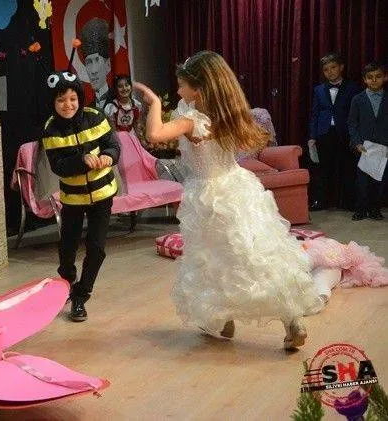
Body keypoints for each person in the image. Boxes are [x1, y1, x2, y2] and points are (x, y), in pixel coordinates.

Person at [134, 51, 323, 350]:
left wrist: (155, 103)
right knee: (255, 253)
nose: (179, 91)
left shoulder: (192, 120)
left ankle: (223, 316)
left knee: (214, 257)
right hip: (239, 187)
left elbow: (155, 134)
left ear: (198, 89)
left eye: (182, 86)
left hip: (209, 196)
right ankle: (287, 319)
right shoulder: (226, 114)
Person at [41, 70, 120, 322]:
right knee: (67, 249)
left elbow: (114, 145)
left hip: (102, 195)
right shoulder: (51, 129)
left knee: (96, 249)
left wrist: (108, 156)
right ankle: (67, 281)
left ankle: (81, 296)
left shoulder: (96, 117)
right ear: (53, 102)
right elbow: (58, 166)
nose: (68, 105)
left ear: (80, 98)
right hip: (72, 199)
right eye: (61, 100)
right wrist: (82, 161)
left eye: (73, 99)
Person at [308, 53, 361, 210]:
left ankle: (349, 202)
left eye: (333, 67)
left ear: (341, 67)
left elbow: (356, 114)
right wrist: (312, 136)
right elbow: (315, 114)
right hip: (324, 133)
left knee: (347, 167)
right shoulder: (318, 90)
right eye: (326, 69)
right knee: (322, 168)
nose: (330, 72)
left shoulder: (352, 88)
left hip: (345, 132)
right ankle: (320, 201)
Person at [348, 62, 387, 221]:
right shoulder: (357, 99)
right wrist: (357, 142)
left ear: (385, 78)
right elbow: (352, 123)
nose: (374, 80)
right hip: (364, 147)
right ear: (364, 79)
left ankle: (375, 209)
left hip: (384, 146)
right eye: (370, 77)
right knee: (362, 180)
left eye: (378, 77)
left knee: (380, 180)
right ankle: (360, 209)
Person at [79, 18, 113, 109]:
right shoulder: (89, 109)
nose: (93, 71)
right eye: (89, 62)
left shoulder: (118, 102)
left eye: (97, 60)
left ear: (108, 65)